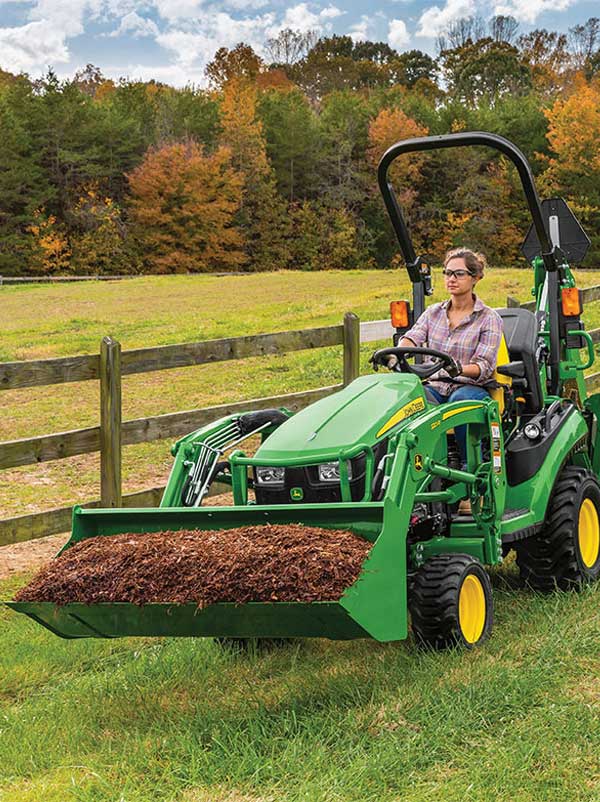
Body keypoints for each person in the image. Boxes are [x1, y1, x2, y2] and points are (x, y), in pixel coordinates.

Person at [396, 247, 503, 482]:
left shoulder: (488, 318)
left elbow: (483, 366)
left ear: (476, 278)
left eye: (459, 274)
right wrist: (399, 352)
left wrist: (459, 368)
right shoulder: (433, 313)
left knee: (458, 403)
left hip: (471, 387)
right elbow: (413, 337)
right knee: (408, 401)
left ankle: (470, 475)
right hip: (436, 385)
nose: (451, 279)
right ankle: (411, 473)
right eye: (447, 273)